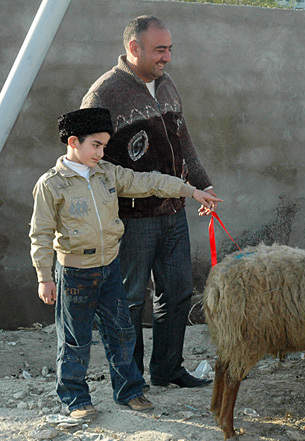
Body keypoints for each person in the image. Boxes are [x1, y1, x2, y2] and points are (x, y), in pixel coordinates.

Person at [29, 108, 220, 419]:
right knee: (75, 338)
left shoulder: (108, 173)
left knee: (122, 332)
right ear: (74, 141)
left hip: (110, 269)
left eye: (104, 146)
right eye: (96, 145)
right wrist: (43, 277)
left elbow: (148, 182)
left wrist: (192, 191)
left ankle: (129, 391)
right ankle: (75, 400)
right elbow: (40, 233)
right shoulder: (51, 185)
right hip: (75, 274)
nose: (102, 152)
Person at [81, 16, 217, 388]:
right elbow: (88, 161)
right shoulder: (103, 94)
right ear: (133, 49)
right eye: (160, 50)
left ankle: (168, 370)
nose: (167, 58)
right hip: (132, 218)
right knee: (128, 300)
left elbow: (184, 143)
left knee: (176, 293)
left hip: (174, 212)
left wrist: (202, 187)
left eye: (169, 49)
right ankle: (130, 378)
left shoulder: (168, 86)